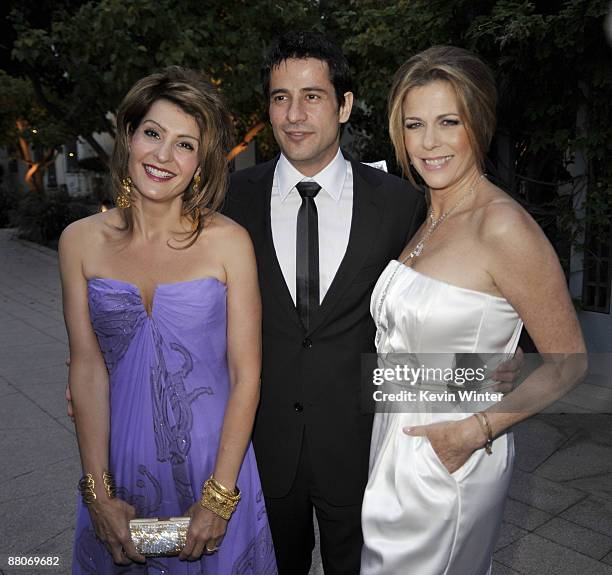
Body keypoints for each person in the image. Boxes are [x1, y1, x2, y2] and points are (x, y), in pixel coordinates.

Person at [360, 46, 586, 574]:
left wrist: (473, 432)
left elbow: (570, 361)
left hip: (451, 455)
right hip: (395, 442)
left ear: (476, 125)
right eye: (415, 124)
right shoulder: (430, 216)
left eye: (448, 121)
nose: (430, 142)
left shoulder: (501, 225)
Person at [222, 31, 426, 574]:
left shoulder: (400, 204)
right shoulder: (231, 200)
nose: (293, 114)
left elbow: (424, 322)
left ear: (345, 105)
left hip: (360, 448)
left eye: (312, 95)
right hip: (263, 448)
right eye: (279, 97)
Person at [59, 67, 277, 574]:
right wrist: (98, 493)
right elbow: (87, 367)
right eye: (153, 133)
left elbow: (247, 375)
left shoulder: (229, 242)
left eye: (184, 144)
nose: (162, 155)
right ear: (129, 136)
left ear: (200, 162)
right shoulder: (80, 242)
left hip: (214, 461)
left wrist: (219, 497)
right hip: (118, 466)